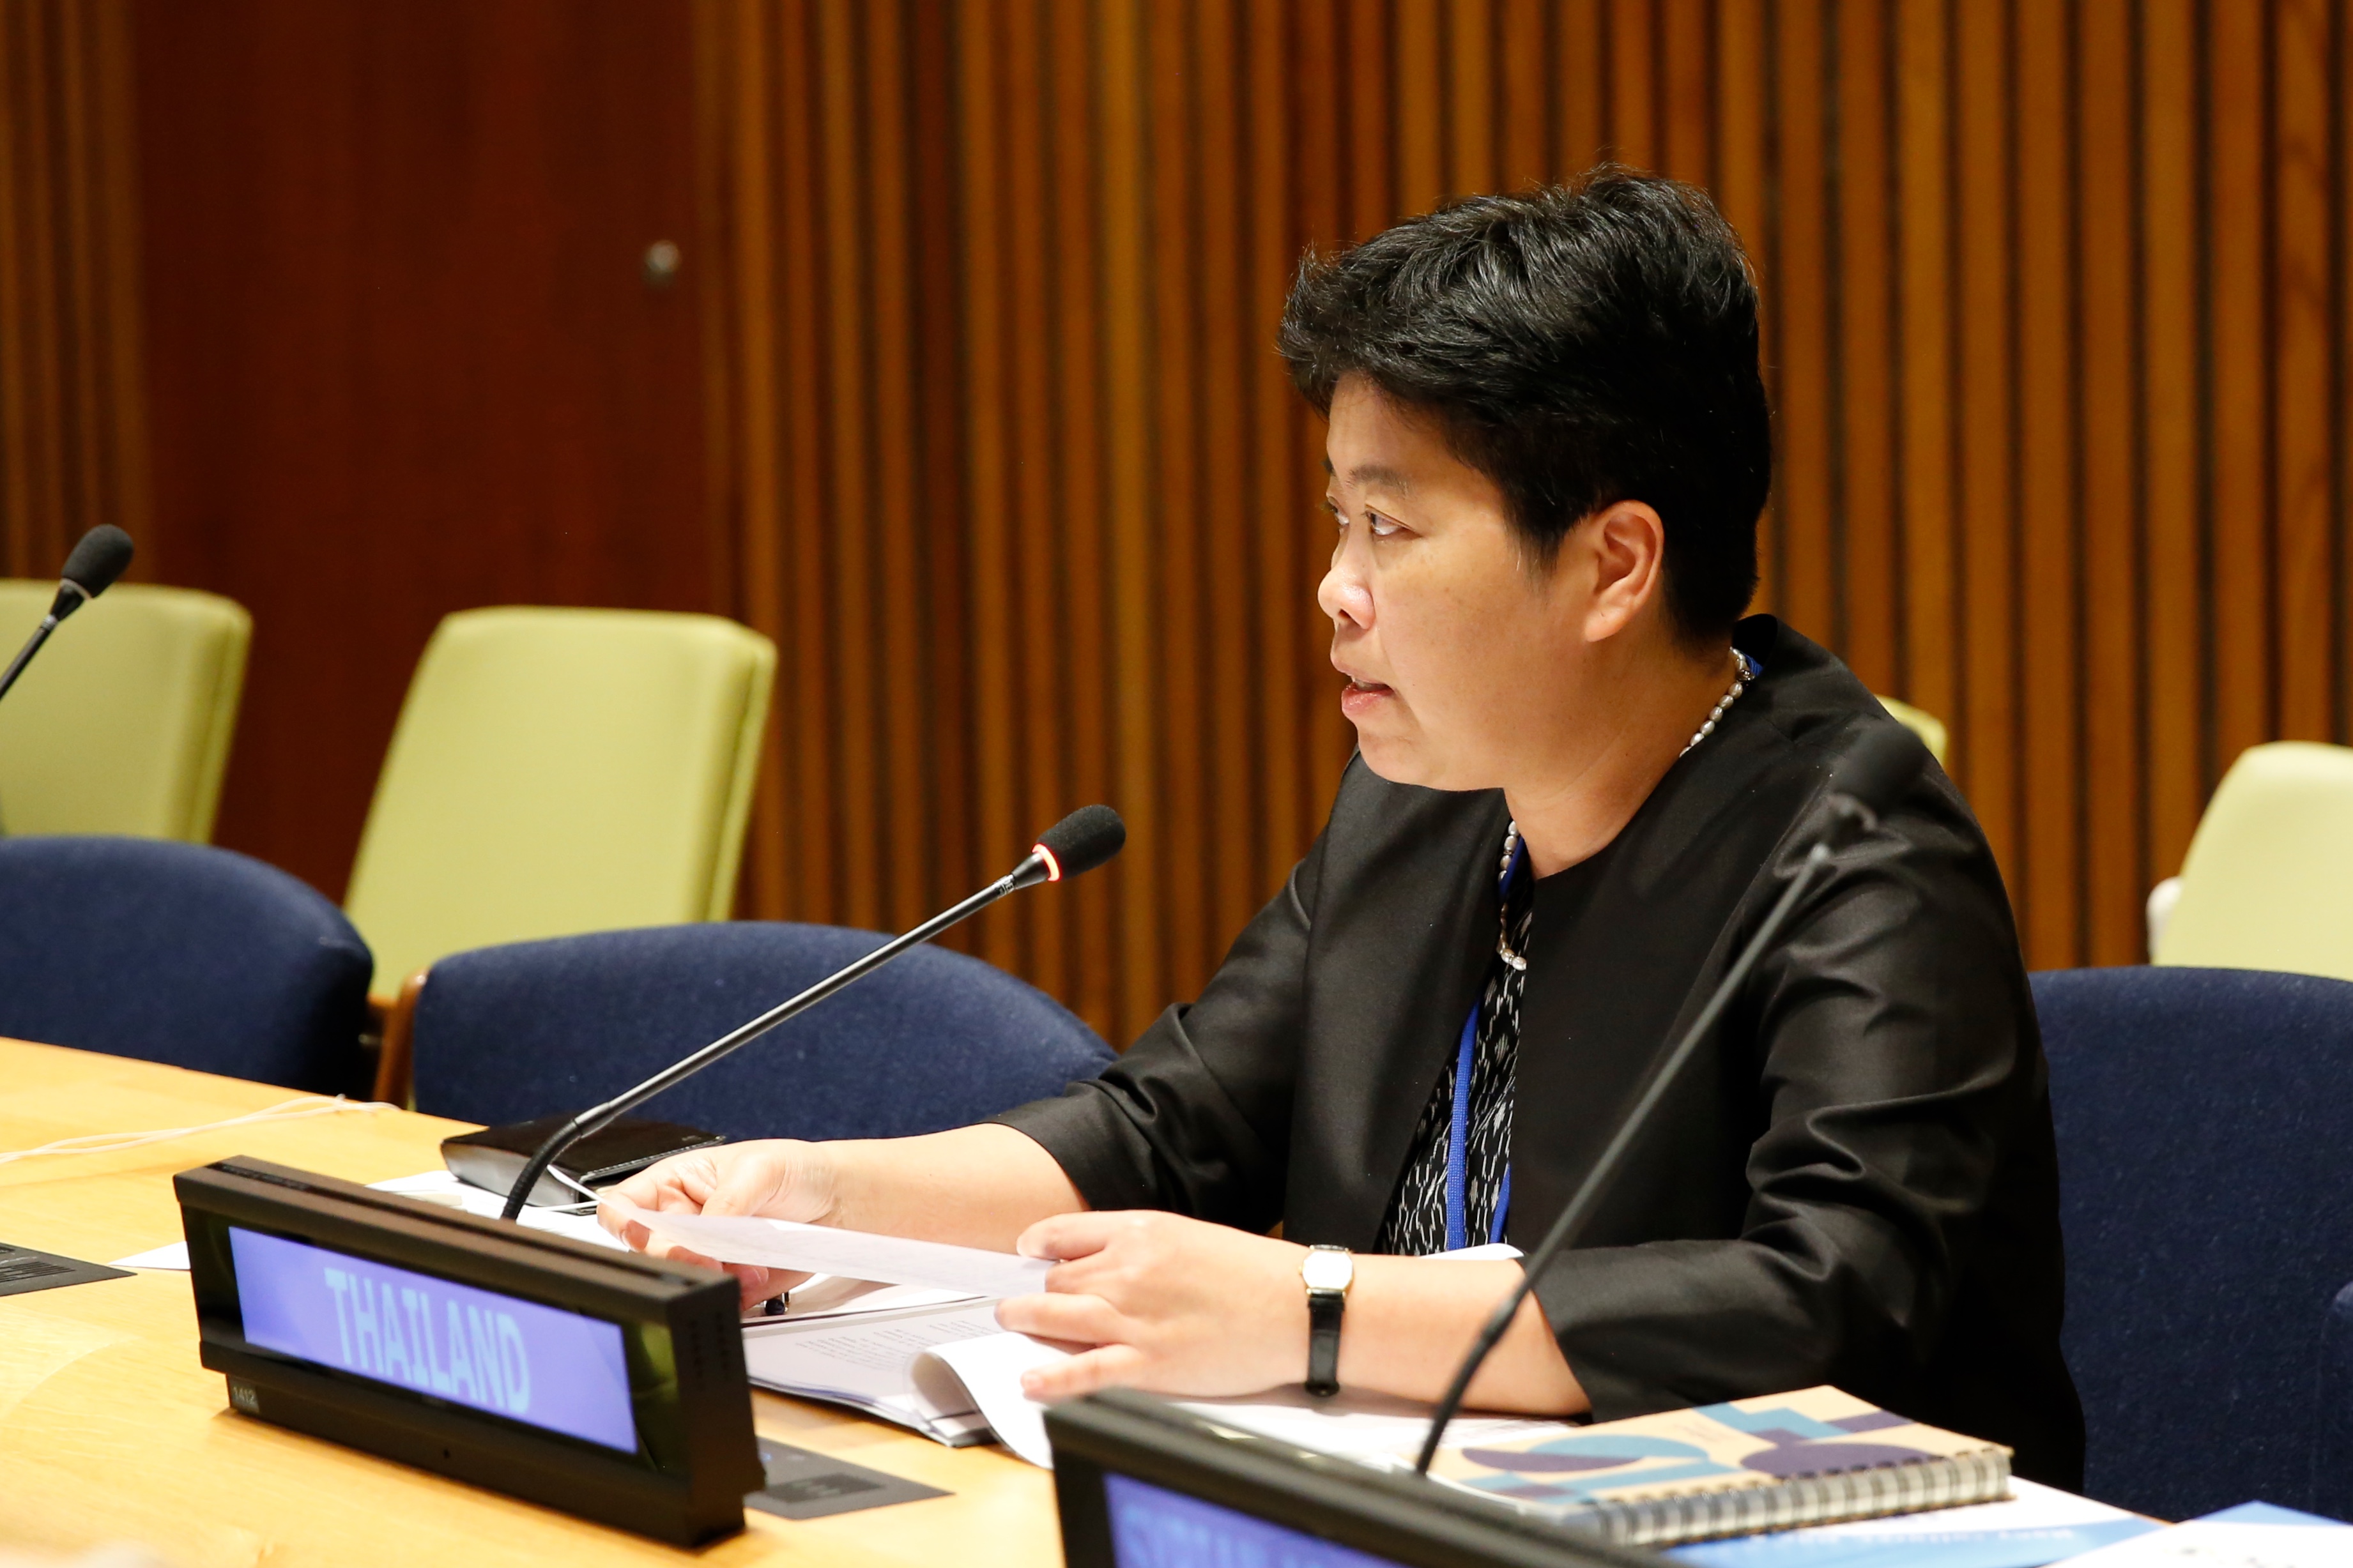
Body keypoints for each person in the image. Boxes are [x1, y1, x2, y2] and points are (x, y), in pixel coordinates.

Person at [603, 169, 2085, 1487]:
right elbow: (1176, 1127)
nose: (1335, 585)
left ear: (1615, 565)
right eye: (1338, 517)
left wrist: (1312, 1311)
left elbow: (1829, 1295)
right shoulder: (1425, 799)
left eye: (1391, 526)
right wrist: (819, 1196)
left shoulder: (1860, 851)